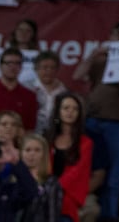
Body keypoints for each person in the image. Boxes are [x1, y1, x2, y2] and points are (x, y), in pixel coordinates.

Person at [75, 19, 119, 220]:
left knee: (113, 175)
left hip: (118, 123)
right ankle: (80, 210)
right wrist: (93, 55)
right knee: (86, 169)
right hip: (92, 120)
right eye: (118, 33)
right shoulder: (100, 59)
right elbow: (78, 75)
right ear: (111, 36)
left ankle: (109, 217)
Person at [43, 92, 90, 222]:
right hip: (44, 192)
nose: (70, 112)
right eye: (66, 108)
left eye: (75, 109)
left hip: (67, 195)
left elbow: (77, 172)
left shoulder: (85, 143)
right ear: (58, 111)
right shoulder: (47, 139)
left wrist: (54, 188)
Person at [26, 54, 68, 135]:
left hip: (55, 134)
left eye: (53, 68)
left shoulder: (64, 91)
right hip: (31, 134)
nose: (49, 71)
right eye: (45, 67)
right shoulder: (27, 88)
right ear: (36, 69)